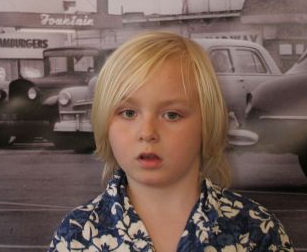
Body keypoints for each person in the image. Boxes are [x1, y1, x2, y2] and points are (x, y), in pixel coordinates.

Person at [47, 31, 293, 252]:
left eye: (172, 115)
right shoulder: (76, 235)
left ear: (207, 123)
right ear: (105, 122)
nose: (147, 132)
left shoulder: (257, 230)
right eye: (128, 113)